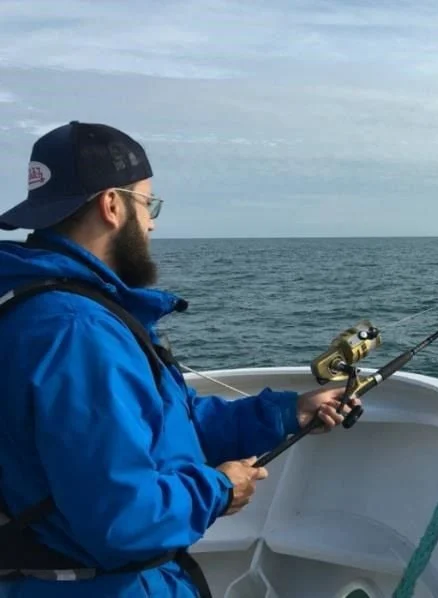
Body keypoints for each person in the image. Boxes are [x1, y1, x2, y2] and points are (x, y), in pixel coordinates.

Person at [0, 121, 361, 598]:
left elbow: (168, 427)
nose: (149, 223)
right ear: (112, 205)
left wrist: (289, 412)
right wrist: (219, 489)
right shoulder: (77, 331)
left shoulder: (40, 308)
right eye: (147, 204)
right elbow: (122, 520)